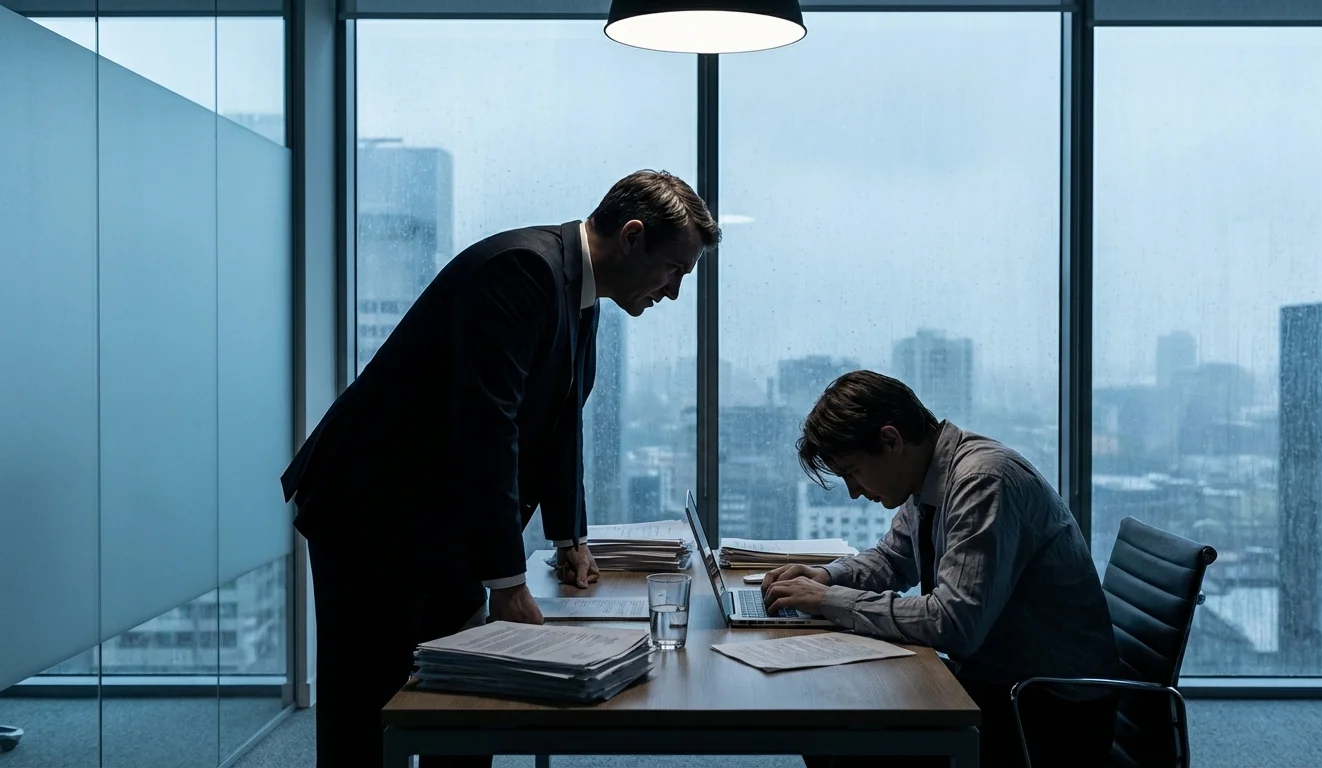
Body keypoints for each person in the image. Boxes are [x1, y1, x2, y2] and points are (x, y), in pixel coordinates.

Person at [281, 170, 720, 768]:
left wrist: (571, 538)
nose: (672, 292)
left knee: (461, 706)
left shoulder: (578, 292)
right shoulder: (523, 269)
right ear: (633, 236)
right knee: (367, 713)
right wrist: (508, 584)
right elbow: (488, 428)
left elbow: (562, 420)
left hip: (445, 515)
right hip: (373, 514)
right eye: (675, 270)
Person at [763, 371, 1120, 768]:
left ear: (890, 440)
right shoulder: (929, 477)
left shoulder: (982, 481)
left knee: (842, 737)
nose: (854, 491)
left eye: (852, 471)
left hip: (1048, 713)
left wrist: (831, 600)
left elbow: (954, 623)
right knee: (832, 710)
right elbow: (892, 558)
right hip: (1001, 680)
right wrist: (827, 577)